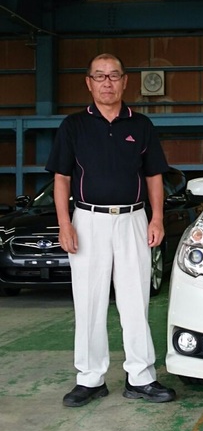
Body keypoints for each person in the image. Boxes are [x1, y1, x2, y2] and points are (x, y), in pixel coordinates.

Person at [46, 53, 176, 407]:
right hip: (87, 221)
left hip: (133, 219)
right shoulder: (73, 126)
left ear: (125, 81)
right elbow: (61, 179)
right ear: (88, 82)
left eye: (114, 76)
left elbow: (153, 176)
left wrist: (157, 218)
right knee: (88, 301)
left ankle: (141, 376)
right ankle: (89, 378)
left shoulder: (141, 125)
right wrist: (65, 225)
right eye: (100, 76)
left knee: (137, 299)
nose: (107, 83)